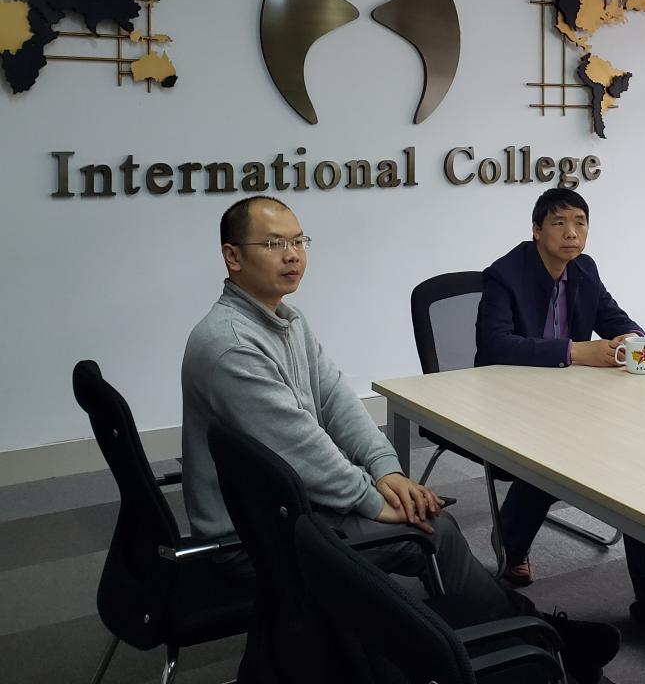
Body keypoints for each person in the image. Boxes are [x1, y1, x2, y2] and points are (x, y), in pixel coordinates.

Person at [182, 196, 619, 684]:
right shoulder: (232, 346)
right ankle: (530, 642)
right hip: (253, 535)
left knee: (424, 522)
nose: (292, 255)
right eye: (272, 244)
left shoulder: (285, 319)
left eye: (298, 241)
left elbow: (336, 401)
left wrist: (385, 468)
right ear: (233, 256)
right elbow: (298, 446)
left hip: (286, 507)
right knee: (431, 530)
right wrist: (372, 499)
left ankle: (523, 635)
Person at [475, 187, 645, 637]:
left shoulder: (584, 270)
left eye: (580, 223)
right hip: (512, 399)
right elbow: (494, 345)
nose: (571, 233)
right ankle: (510, 545)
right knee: (546, 461)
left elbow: (614, 319)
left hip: (571, 399)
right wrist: (574, 351)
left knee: (638, 462)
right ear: (536, 231)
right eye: (559, 223)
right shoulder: (504, 275)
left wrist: (631, 338)